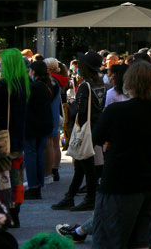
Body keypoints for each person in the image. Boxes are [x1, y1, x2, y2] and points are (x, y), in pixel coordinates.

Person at [90, 60, 151, 248]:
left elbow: (96, 137)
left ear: (129, 82)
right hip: (150, 182)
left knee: (110, 239)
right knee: (141, 239)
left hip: (119, 182)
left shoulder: (115, 111)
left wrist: (110, 141)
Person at [52, 51, 104, 212]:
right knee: (82, 166)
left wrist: (71, 106)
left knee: (86, 166)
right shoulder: (100, 84)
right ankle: (70, 196)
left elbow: (80, 111)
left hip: (85, 129)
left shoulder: (84, 86)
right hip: (96, 127)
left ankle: (89, 198)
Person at [0, 48, 29, 227]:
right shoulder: (25, 84)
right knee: (17, 177)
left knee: (3, 177)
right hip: (19, 138)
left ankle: (6, 214)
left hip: (4, 138)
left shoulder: (3, 85)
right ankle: (16, 213)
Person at [24, 61, 55, 201]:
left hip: (31, 126)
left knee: (30, 155)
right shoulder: (48, 86)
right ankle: (38, 184)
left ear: (34, 72)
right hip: (44, 125)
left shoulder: (33, 87)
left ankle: (32, 186)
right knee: (39, 155)